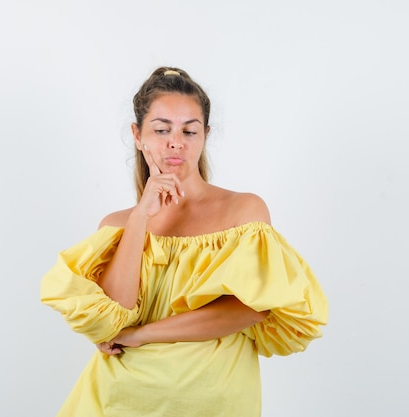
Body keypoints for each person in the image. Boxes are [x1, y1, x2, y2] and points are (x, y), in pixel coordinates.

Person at [40, 66, 328, 417]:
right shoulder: (117, 226)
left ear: (205, 135)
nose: (175, 141)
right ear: (137, 134)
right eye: (161, 129)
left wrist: (141, 335)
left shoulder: (243, 211)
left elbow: (252, 308)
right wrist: (139, 218)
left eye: (189, 130)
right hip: (118, 401)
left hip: (213, 404)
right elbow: (111, 318)